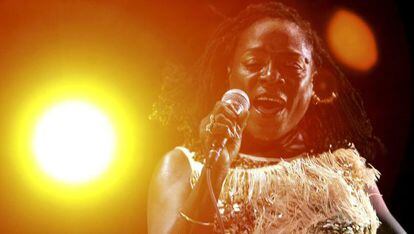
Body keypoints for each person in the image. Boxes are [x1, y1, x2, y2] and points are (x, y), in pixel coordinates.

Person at [147, 2, 406, 233]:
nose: (270, 76)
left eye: (290, 65)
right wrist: (214, 173)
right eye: (254, 63)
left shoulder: (346, 170)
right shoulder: (183, 167)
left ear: (314, 83)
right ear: (229, 73)